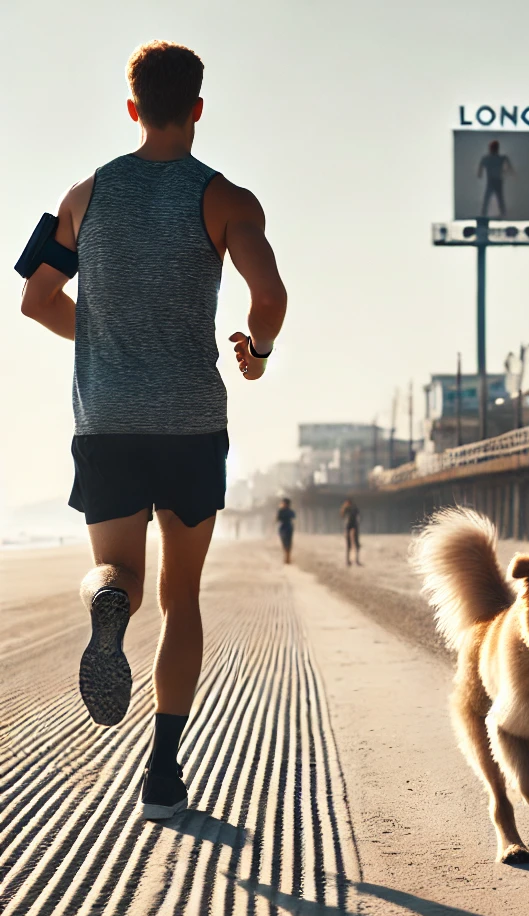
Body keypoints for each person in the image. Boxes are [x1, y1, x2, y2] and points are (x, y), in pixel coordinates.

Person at [19, 40, 287, 820]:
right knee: (181, 596)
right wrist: (257, 351)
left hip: (106, 424)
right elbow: (268, 297)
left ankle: (104, 602)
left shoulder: (82, 197)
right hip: (191, 424)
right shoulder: (229, 200)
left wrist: (105, 337)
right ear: (198, 109)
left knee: (124, 579)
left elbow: (35, 301)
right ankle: (164, 777)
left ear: (132, 108)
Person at [477, 140, 514, 218]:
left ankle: (487, 213)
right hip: (494, 181)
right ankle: (486, 213)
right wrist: (506, 172)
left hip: (495, 181)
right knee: (493, 198)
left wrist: (506, 172)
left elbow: (480, 169)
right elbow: (509, 167)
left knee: (494, 198)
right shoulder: (491, 158)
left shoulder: (490, 158)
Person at [340, 499, 361, 567]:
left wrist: (344, 508)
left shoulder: (350, 508)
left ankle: (353, 560)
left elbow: (342, 516)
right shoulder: (351, 508)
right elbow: (342, 515)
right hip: (352, 525)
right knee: (351, 544)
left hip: (351, 525)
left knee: (354, 544)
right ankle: (351, 560)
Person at [277, 497, 296, 564]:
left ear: (287, 504)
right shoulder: (281, 511)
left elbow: (294, 517)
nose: (282, 504)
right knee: (284, 542)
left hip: (288, 527)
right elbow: (277, 519)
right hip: (283, 528)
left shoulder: (289, 511)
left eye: (283, 503)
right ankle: (287, 556)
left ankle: (288, 557)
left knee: (289, 542)